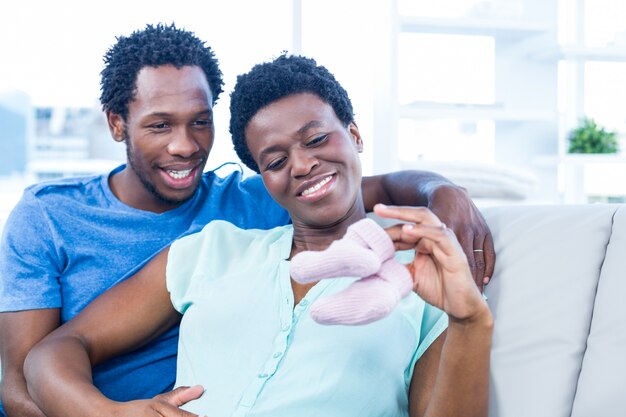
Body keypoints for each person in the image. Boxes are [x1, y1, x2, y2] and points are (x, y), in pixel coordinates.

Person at [0, 24, 494, 417]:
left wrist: (445, 193)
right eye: (275, 160)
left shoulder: (420, 277)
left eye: (198, 121)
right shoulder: (208, 248)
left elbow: (369, 188)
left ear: (355, 134)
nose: (184, 145)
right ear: (116, 124)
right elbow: (34, 367)